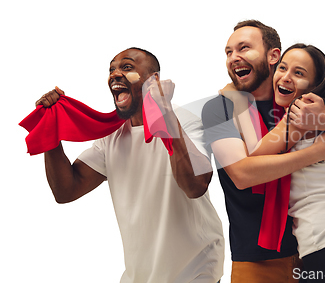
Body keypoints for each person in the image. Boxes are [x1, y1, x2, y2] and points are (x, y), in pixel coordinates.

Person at [35, 48, 224, 283]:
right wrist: (50, 128)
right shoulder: (111, 138)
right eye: (111, 69)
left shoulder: (186, 121)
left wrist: (163, 111)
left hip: (195, 272)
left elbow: (195, 186)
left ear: (153, 80)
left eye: (126, 67)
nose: (114, 74)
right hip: (139, 277)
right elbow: (66, 190)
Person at [201, 20, 325, 282]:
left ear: (273, 56)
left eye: (244, 48)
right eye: (229, 52)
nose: (235, 57)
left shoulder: (303, 102)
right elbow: (242, 173)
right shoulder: (219, 109)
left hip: (313, 252)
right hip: (257, 262)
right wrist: (314, 153)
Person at [241, 43, 325, 282]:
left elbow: (252, 163)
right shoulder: (323, 109)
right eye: (283, 68)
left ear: (314, 86)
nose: (286, 77)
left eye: (299, 73)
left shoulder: (299, 114)